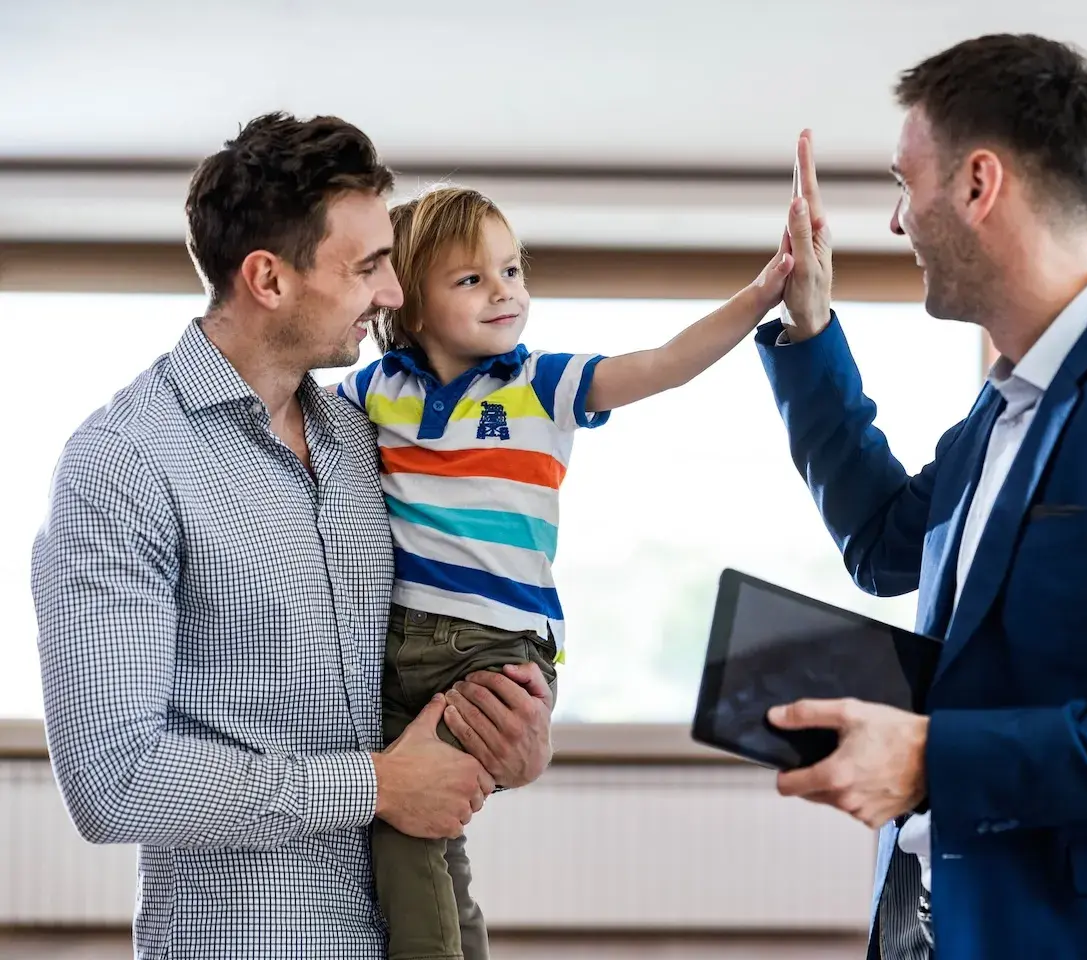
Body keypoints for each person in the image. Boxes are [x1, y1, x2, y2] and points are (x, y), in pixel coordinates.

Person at [757, 35, 1087, 959]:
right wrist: (810, 330)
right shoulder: (1002, 406)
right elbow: (887, 541)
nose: (898, 222)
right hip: (942, 913)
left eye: (907, 183)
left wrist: (936, 758)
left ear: (978, 184)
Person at [31, 114, 554, 960]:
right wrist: (373, 786)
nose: (393, 296)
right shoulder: (121, 465)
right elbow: (112, 781)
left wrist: (513, 744)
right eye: (368, 268)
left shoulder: (362, 437)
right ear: (268, 279)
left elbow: (431, 653)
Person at [335, 184, 792, 960]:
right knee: (433, 835)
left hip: (494, 652)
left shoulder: (542, 382)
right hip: (398, 649)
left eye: (512, 270)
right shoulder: (377, 392)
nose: (505, 291)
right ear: (407, 306)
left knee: (403, 830)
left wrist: (759, 295)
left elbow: (664, 365)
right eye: (471, 279)